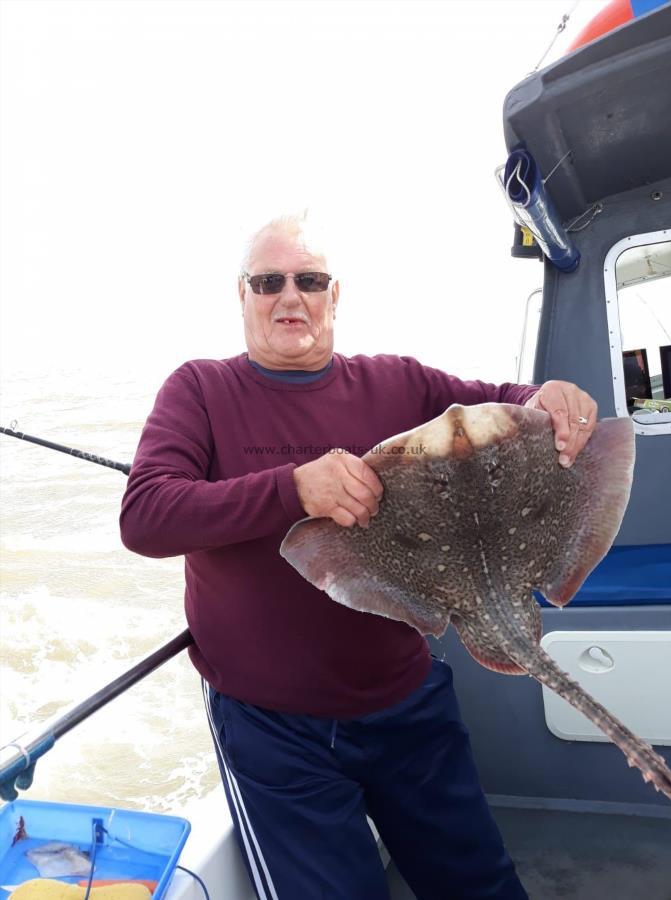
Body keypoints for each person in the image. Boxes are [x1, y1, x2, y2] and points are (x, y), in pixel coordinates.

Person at [119, 213, 598, 900]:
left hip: (406, 701)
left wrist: (544, 397)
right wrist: (290, 488)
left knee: (479, 884)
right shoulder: (199, 390)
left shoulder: (397, 383)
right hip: (273, 729)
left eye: (308, 280)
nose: (290, 297)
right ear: (243, 295)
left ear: (333, 296)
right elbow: (146, 516)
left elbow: (503, 406)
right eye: (268, 281)